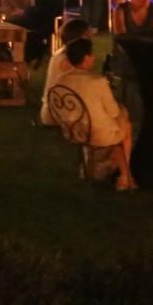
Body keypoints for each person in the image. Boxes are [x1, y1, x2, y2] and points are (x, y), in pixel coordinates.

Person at [59, 38, 136, 191]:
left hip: (73, 131)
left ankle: (96, 167)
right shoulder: (97, 81)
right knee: (125, 125)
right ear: (86, 58)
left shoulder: (61, 80)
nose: (94, 57)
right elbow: (114, 111)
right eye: (92, 54)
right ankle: (125, 177)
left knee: (118, 122)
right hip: (97, 134)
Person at [39, 18, 91, 125]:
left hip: (54, 109)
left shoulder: (61, 54)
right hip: (60, 113)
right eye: (88, 35)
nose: (91, 39)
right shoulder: (68, 59)